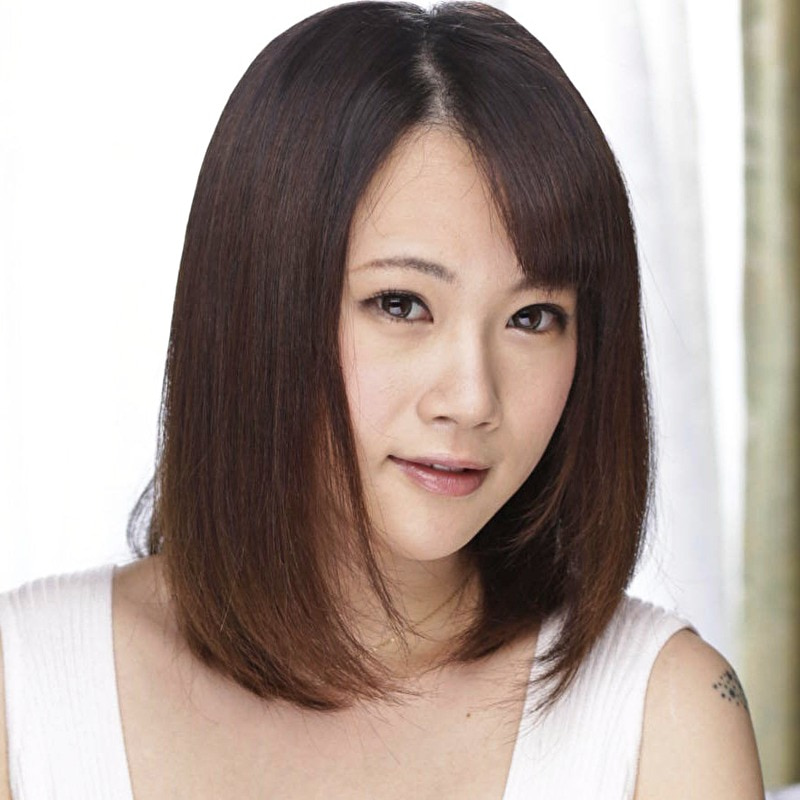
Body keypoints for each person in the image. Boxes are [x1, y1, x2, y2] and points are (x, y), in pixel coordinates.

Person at [0, 2, 763, 797]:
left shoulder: (664, 718)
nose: (471, 398)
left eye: (533, 318)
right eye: (401, 304)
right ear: (258, 307)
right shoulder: (26, 696)